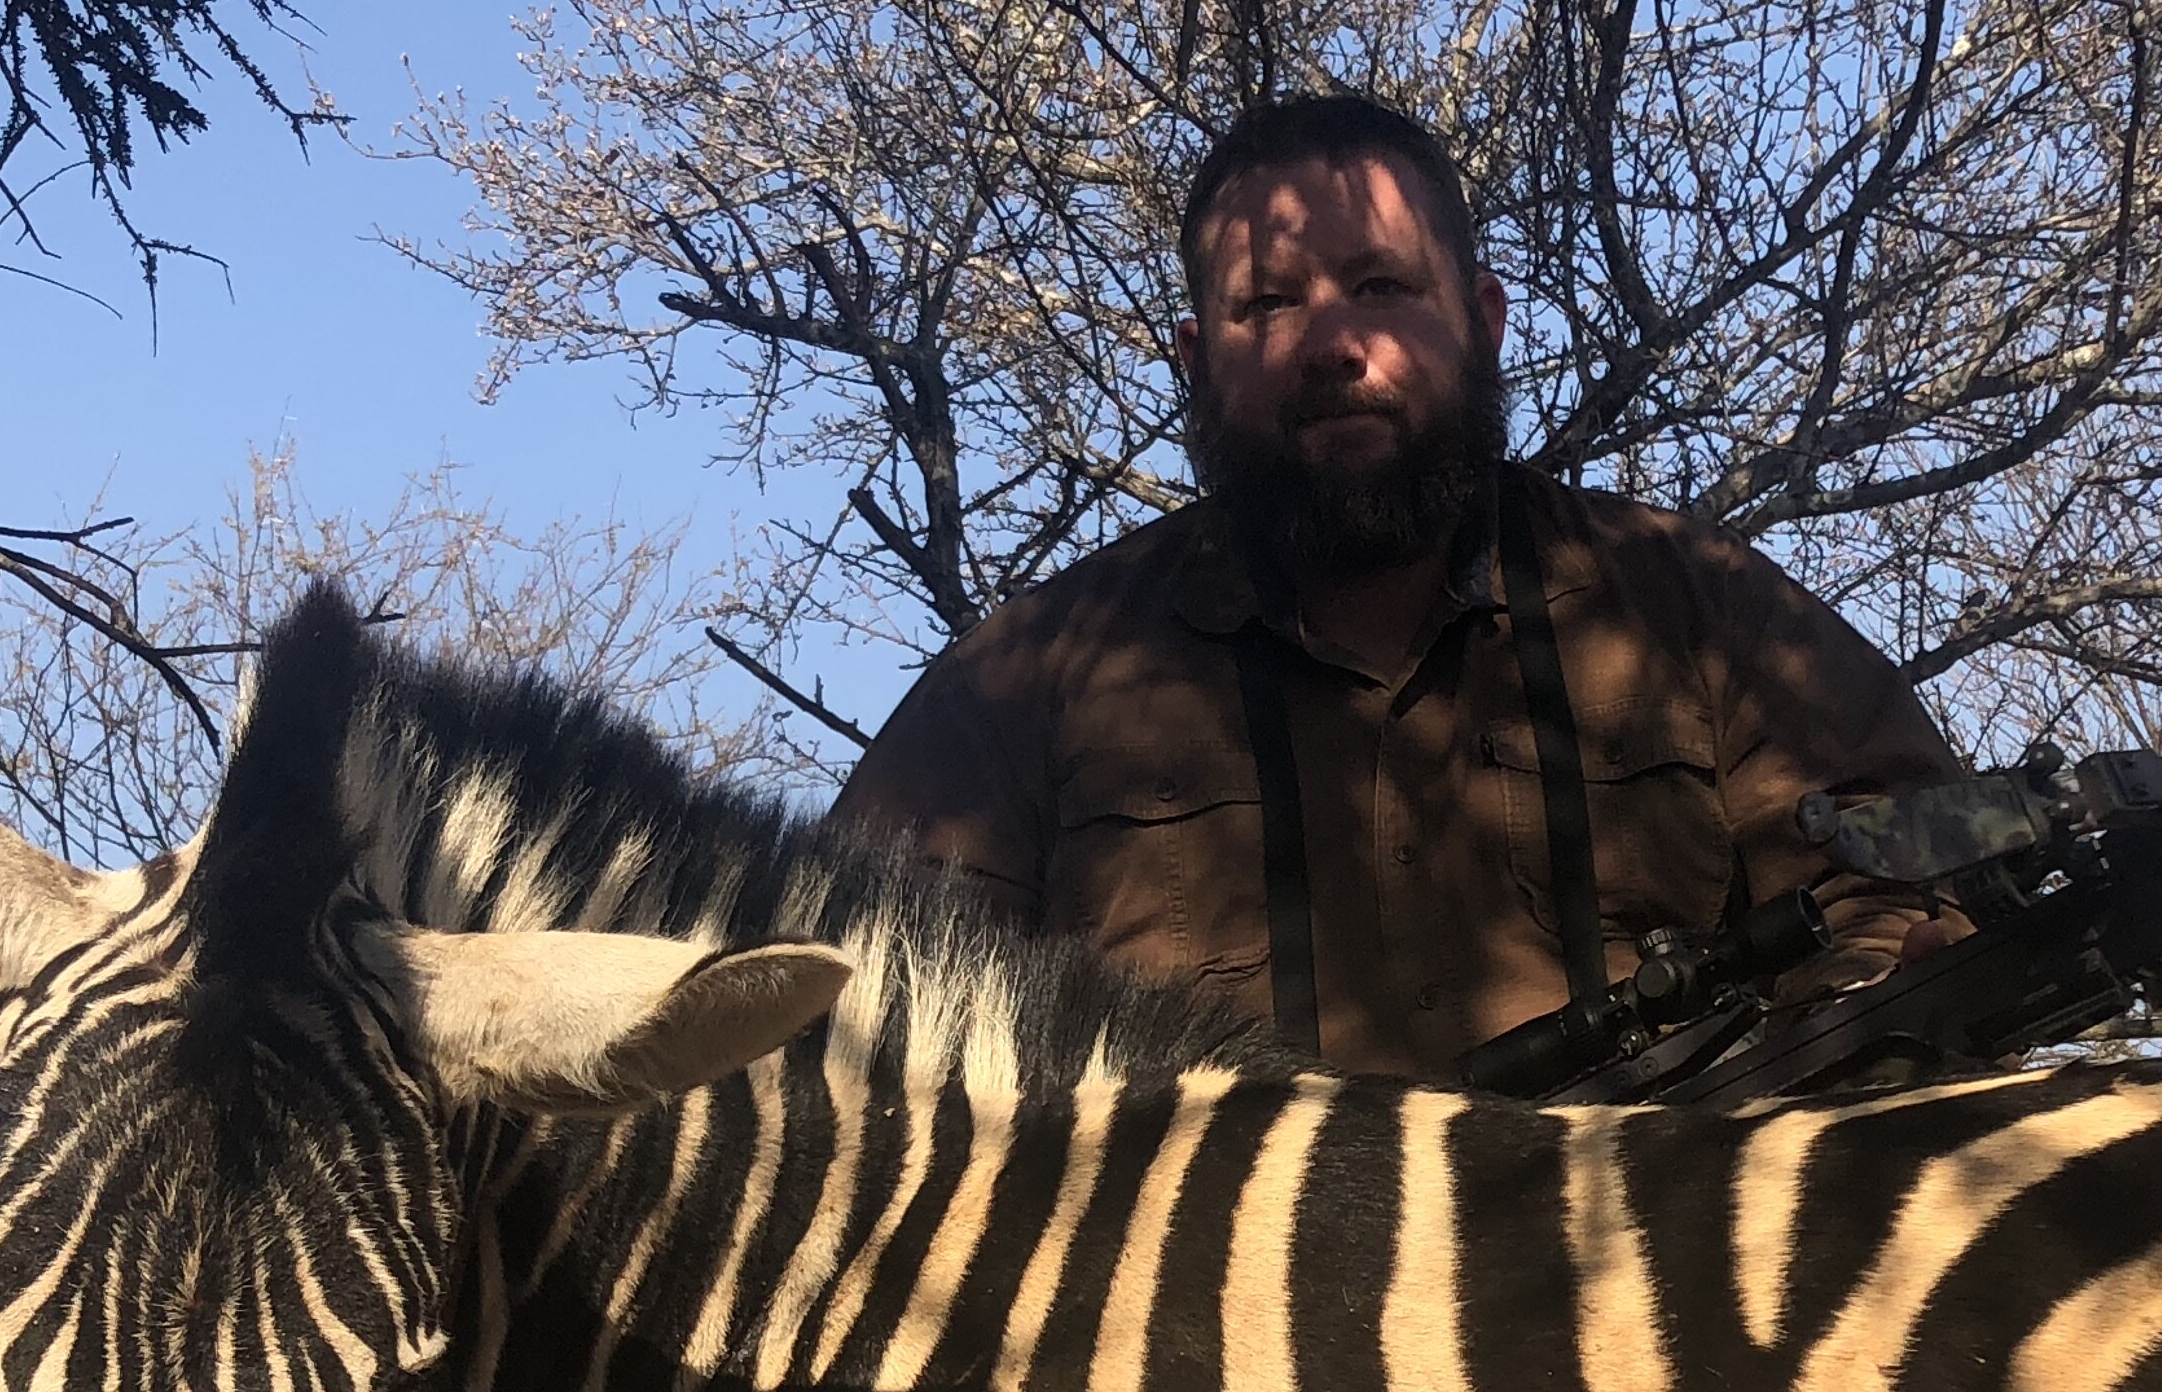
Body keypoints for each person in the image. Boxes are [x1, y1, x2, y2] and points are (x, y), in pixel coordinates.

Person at [832, 91, 1967, 1081]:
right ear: (1196, 362)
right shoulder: (1027, 682)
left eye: (1380, 285)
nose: (1332, 342)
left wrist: (1892, 992)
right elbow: (851, 1004)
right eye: (1268, 304)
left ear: (1481, 321)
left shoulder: (1692, 606)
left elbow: (1901, 883)